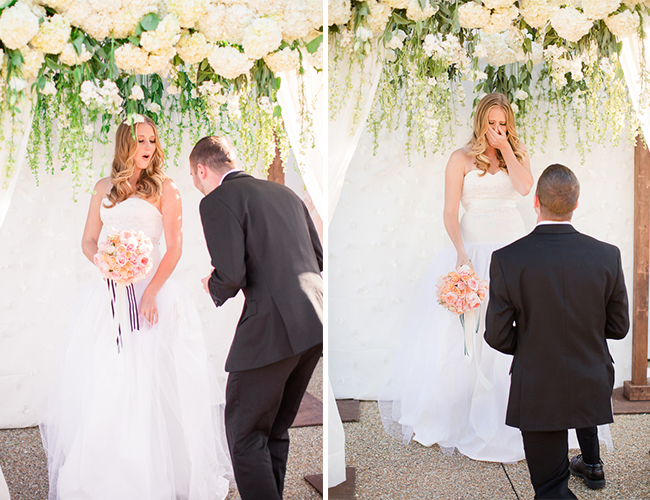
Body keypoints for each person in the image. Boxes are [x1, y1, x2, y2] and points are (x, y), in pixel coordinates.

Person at [39, 116, 232, 499]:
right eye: (140, 140)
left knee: (154, 377)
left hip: (152, 295)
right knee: (108, 376)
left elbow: (174, 248)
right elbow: (89, 240)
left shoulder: (166, 188)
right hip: (110, 295)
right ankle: (106, 473)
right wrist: (106, 263)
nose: (148, 147)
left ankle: (161, 472)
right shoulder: (103, 188)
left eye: (152, 140)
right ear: (125, 144)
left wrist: (150, 292)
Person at [379, 93, 533, 462]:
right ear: (480, 122)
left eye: (503, 124)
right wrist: (462, 254)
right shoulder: (460, 158)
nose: (497, 129)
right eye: (491, 123)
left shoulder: (517, 154)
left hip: (512, 249)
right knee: (468, 332)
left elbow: (526, 188)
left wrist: (506, 149)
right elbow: (450, 212)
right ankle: (462, 412)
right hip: (473, 250)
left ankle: (509, 409)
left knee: (514, 326)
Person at [189, 136, 323, 500]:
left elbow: (231, 275)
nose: (198, 186)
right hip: (314, 322)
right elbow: (317, 258)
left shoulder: (216, 200)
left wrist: (212, 284)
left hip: (272, 328)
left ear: (201, 169)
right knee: (275, 429)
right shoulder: (285, 194)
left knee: (245, 435)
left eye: (195, 179)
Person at [485, 164, 629, 499]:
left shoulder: (508, 258)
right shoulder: (607, 255)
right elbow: (619, 327)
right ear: (576, 204)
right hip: (590, 379)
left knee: (550, 488)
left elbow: (497, 335)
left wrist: (534, 345)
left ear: (536, 201)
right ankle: (591, 463)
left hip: (538, 383)